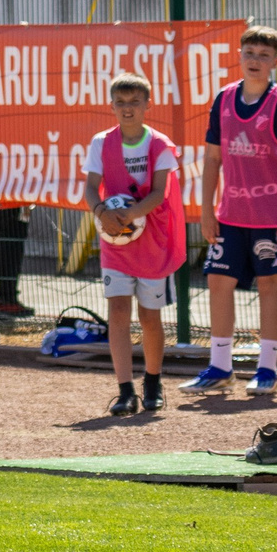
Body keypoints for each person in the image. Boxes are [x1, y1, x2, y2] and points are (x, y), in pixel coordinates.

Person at [190, 24, 277, 395]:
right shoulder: (224, 99)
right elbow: (213, 158)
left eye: (263, 55)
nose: (255, 60)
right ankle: (219, 366)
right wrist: (207, 209)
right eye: (249, 53)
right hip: (230, 214)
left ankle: (267, 369)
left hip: (270, 216)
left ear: (275, 61)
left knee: (269, 282)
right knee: (217, 281)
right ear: (239, 56)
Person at [82, 73, 186, 417]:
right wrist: (102, 212)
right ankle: (125, 391)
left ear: (148, 105)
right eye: (121, 103)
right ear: (111, 106)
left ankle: (153, 382)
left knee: (150, 317)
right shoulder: (101, 143)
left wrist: (130, 214)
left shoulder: (159, 145)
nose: (127, 109)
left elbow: (159, 192)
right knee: (117, 312)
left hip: (152, 241)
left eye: (134, 102)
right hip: (116, 240)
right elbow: (90, 188)